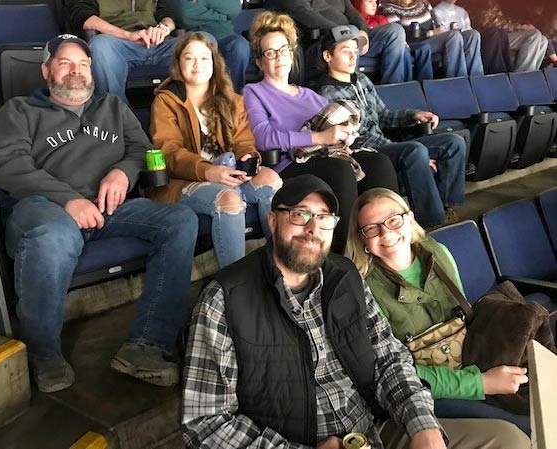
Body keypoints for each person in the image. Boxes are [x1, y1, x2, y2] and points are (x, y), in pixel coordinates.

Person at [182, 174, 531, 449]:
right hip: (294, 441)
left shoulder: (344, 277)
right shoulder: (224, 298)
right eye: (300, 214)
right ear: (273, 221)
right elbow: (206, 424)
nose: (312, 229)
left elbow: (390, 360)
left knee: (510, 441)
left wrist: (422, 425)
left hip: (374, 428)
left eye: (324, 218)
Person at [0, 34, 198, 393]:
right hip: (42, 208)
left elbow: (141, 150)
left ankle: (147, 345)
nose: (76, 70)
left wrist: (123, 172)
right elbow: (9, 167)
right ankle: (43, 354)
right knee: (55, 236)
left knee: (180, 219)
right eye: (65, 62)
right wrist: (69, 200)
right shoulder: (19, 110)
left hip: (110, 208)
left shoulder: (113, 106)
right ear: (46, 70)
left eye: (83, 64)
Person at [345, 187, 532, 433]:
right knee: (523, 429)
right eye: (372, 228)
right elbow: (393, 373)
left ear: (409, 219)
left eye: (393, 220)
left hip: (472, 363)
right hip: (427, 394)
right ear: (362, 240)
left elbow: (465, 323)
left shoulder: (439, 253)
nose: (386, 232)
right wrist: (481, 383)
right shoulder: (362, 289)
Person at [243, 11, 399, 254]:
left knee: (379, 162)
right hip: (289, 164)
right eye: (270, 53)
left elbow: (334, 127)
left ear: (292, 53)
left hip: (326, 156)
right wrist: (319, 138)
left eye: (283, 50)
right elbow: (265, 137)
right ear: (259, 61)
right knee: (339, 170)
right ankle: (345, 256)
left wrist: (343, 139)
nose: (278, 58)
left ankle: (388, 239)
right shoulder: (254, 92)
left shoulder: (310, 95)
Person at [148, 32, 281, 269]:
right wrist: (209, 172)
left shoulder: (233, 100)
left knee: (271, 178)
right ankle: (236, 288)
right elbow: (168, 152)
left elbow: (243, 141)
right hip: (182, 182)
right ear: (179, 64)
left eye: (204, 58)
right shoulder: (166, 101)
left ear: (215, 62)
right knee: (228, 199)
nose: (198, 64)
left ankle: (280, 268)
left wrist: (247, 156)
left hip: (229, 173)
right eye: (189, 58)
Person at [315, 25, 465, 229]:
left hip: (387, 144)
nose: (353, 57)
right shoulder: (324, 95)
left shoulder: (362, 80)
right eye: (345, 51)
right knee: (415, 151)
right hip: (368, 153)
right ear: (327, 56)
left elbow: (384, 116)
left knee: (454, 143)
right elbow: (348, 140)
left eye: (354, 51)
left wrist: (414, 115)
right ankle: (431, 223)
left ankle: (447, 209)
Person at [265, 0, 409, 84]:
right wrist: (344, 32)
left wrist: (362, 30)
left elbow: (351, 12)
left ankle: (392, 89)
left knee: (394, 31)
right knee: (348, 35)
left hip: (351, 37)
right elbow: (307, 16)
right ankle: (351, 93)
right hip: (320, 44)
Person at [68, 0, 179, 103]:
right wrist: (128, 35)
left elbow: (167, 16)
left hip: (157, 43)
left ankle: (187, 113)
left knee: (194, 44)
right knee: (99, 45)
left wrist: (163, 29)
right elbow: (83, 17)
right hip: (117, 43)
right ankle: (116, 115)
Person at [162, 0, 250, 92]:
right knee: (197, 49)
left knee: (240, 45)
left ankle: (233, 96)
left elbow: (233, 8)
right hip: (194, 40)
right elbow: (184, 14)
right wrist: (222, 16)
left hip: (225, 38)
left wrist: (198, 2)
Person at [379, 0, 484, 77]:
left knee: (473, 35)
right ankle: (458, 80)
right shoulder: (389, 7)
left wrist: (438, 31)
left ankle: (477, 79)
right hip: (413, 44)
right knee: (453, 36)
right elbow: (398, 35)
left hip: (433, 40)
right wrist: (429, 33)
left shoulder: (423, 4)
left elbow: (436, 25)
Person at [354, 0, 433, 81]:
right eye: (370, 1)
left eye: (375, 1)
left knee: (424, 47)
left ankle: (425, 88)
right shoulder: (355, 21)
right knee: (401, 42)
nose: (374, 5)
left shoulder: (381, 19)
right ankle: (399, 87)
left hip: (398, 44)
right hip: (369, 47)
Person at [468, 0, 548, 72]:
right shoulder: (482, 3)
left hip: (505, 35)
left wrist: (523, 26)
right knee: (534, 35)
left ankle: (532, 74)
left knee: (543, 40)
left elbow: (510, 20)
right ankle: (522, 76)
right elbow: (488, 23)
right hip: (490, 38)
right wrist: (518, 27)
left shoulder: (505, 4)